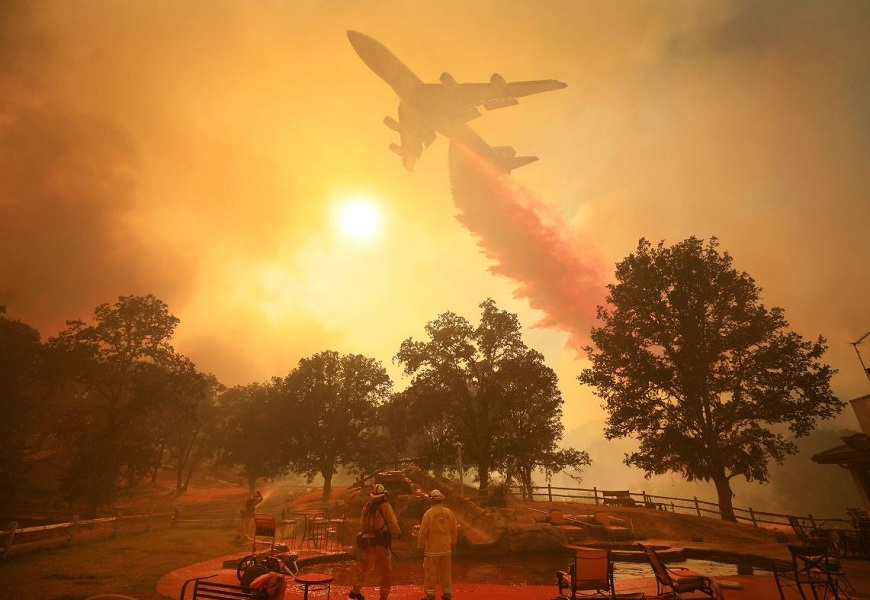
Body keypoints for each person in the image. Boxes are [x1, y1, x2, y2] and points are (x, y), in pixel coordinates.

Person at [349, 483, 402, 600]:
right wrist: (398, 532)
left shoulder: (367, 506)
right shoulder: (385, 506)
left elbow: (362, 523)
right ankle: (383, 596)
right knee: (385, 571)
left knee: (366, 568)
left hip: (369, 542)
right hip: (381, 543)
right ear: (383, 495)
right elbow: (392, 521)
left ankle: (355, 591)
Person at [416, 489, 458, 600]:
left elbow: (423, 531)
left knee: (430, 572)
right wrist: (453, 541)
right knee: (445, 571)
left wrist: (420, 545)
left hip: (432, 548)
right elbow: (454, 528)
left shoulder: (428, 514)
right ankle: (447, 593)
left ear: (431, 500)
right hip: (446, 547)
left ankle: (430, 594)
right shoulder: (449, 512)